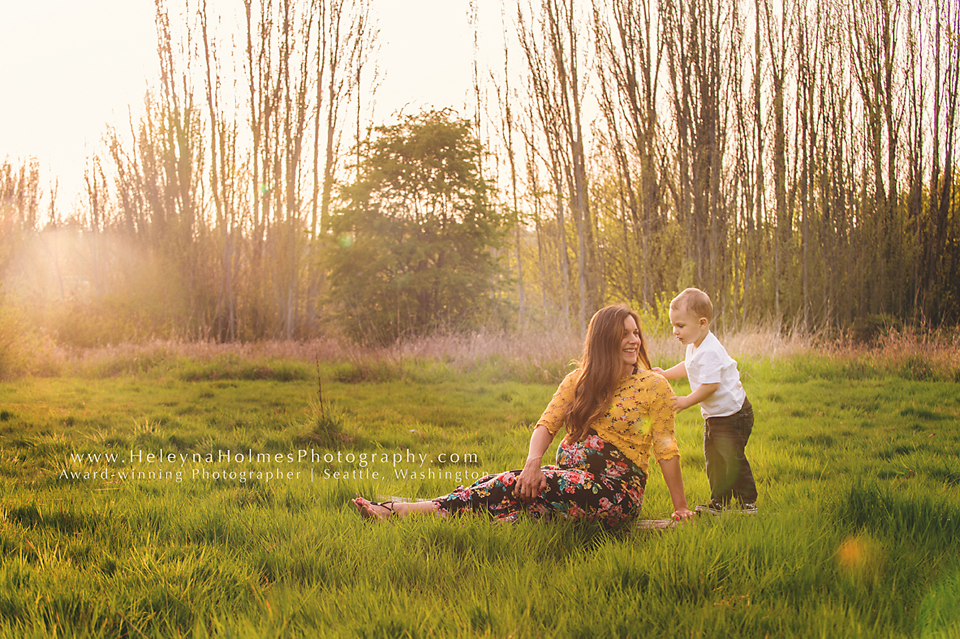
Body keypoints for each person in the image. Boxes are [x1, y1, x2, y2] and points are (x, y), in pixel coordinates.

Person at [353, 304, 697, 529]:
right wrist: (534, 461)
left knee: (512, 485)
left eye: (636, 332)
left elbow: (666, 447)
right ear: (604, 340)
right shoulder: (578, 381)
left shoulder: (655, 386)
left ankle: (401, 511)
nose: (633, 340)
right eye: (624, 333)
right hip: (572, 481)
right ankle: (446, 518)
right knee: (512, 491)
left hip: (616, 494)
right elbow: (546, 425)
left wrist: (680, 507)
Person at [652, 288, 758, 514]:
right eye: (673, 325)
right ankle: (720, 502)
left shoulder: (710, 350)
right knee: (715, 461)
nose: (675, 331)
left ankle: (748, 503)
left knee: (732, 459)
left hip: (733, 416)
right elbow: (688, 367)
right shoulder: (695, 345)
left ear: (702, 323)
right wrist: (665, 373)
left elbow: (711, 385)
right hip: (716, 416)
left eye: (680, 326)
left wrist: (686, 401)